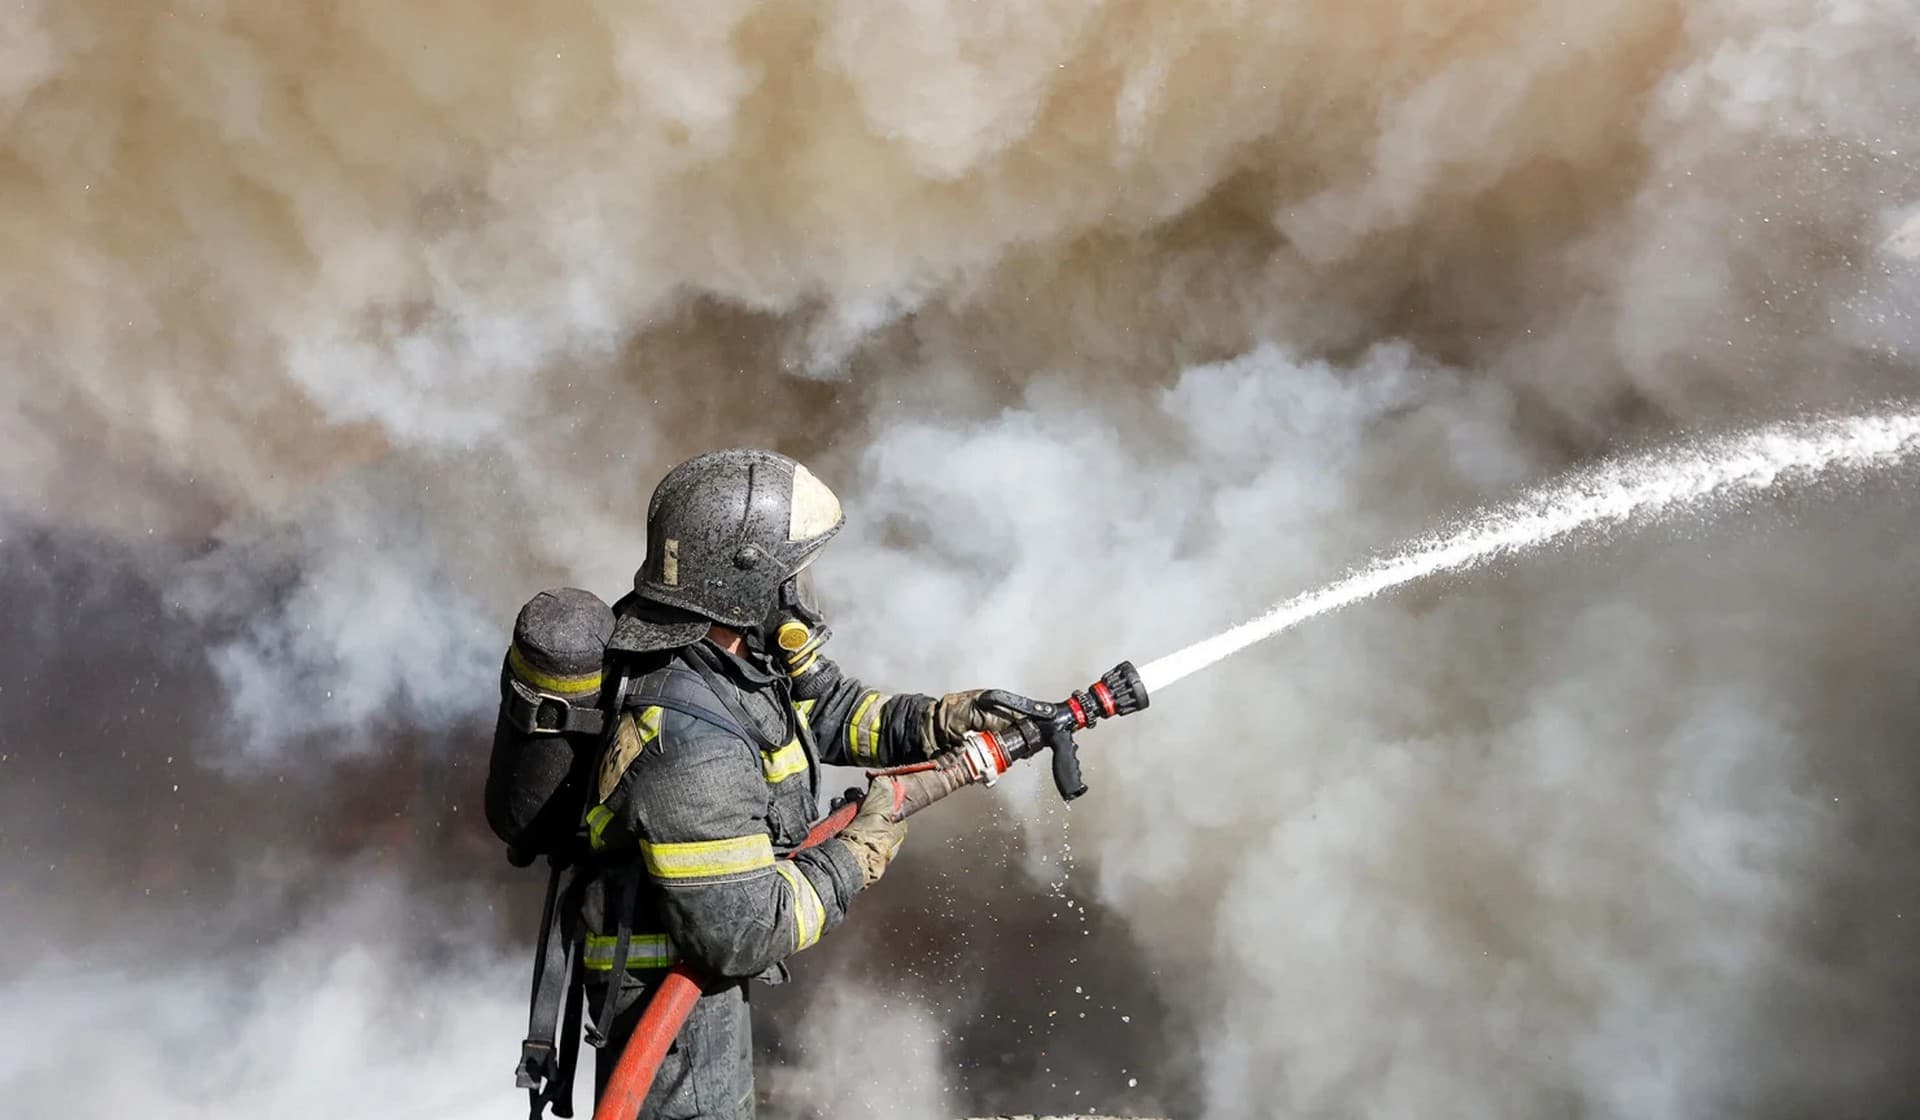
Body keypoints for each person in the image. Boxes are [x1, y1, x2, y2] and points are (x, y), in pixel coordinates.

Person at [578, 448, 1031, 1119]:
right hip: (668, 1019)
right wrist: (857, 851)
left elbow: (829, 713)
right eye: (790, 577)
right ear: (744, 579)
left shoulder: (726, 652)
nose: (798, 593)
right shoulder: (690, 742)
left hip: (697, 991)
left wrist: (941, 720)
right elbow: (745, 932)